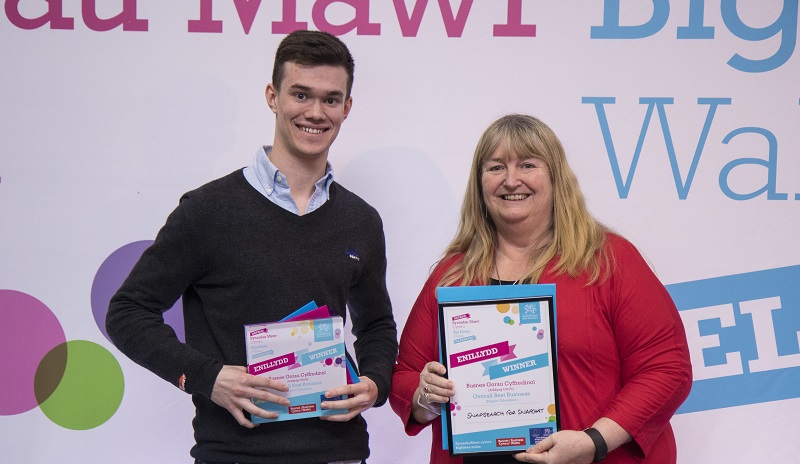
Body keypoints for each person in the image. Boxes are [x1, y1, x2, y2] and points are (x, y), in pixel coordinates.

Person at [106, 30, 398, 464]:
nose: (316, 112)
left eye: (331, 99)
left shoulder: (361, 220)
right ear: (272, 97)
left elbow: (376, 324)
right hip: (234, 453)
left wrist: (374, 383)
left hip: (338, 452)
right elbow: (128, 312)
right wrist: (208, 377)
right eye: (301, 94)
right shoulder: (207, 211)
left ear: (347, 107)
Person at [389, 114, 692, 464]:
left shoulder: (607, 260)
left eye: (527, 164)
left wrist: (594, 441)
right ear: (479, 182)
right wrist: (423, 397)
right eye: (496, 167)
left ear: (555, 177)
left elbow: (667, 369)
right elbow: (406, 374)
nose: (511, 180)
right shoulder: (452, 275)